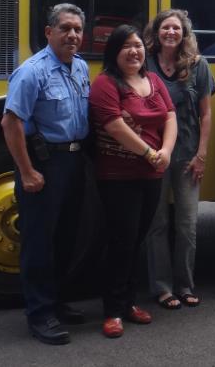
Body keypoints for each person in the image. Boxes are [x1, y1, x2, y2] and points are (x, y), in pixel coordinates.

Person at [1, 3, 91, 345]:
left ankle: (58, 301)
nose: (72, 35)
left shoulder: (80, 68)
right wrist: (26, 172)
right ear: (48, 32)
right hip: (43, 165)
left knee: (67, 237)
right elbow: (11, 123)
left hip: (73, 162)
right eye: (65, 28)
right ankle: (39, 315)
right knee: (39, 243)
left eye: (77, 30)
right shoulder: (31, 72)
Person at [89, 24, 178, 338]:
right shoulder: (105, 83)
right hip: (118, 176)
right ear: (114, 51)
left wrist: (165, 151)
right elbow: (114, 126)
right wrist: (150, 153)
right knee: (121, 240)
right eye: (126, 45)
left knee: (137, 237)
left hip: (151, 174)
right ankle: (112, 310)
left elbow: (170, 115)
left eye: (138, 45)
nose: (134, 51)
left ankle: (127, 304)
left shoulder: (153, 80)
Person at [143, 10, 214, 310]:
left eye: (176, 28)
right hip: (152, 157)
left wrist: (201, 155)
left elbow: (206, 113)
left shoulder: (198, 66)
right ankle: (161, 287)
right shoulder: (144, 63)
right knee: (155, 224)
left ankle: (185, 285)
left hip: (187, 156)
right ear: (156, 32)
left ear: (184, 34)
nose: (171, 33)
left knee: (187, 224)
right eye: (165, 28)